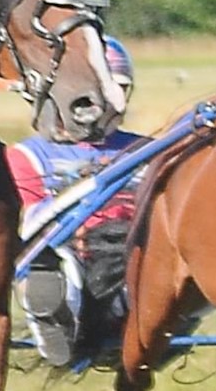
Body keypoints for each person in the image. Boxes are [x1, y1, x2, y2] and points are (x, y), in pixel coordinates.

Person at [9, 36, 146, 367]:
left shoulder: (148, 150)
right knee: (54, 270)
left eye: (116, 91)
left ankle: (142, 328)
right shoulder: (29, 155)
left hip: (132, 254)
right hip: (68, 250)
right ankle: (58, 330)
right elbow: (31, 221)